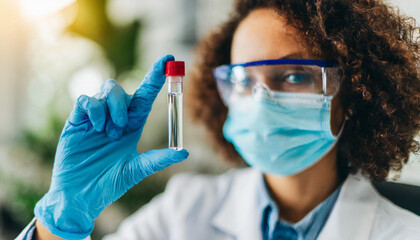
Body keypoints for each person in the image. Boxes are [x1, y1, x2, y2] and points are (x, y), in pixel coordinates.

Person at [17, 0, 420, 239]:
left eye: (294, 75)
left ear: (351, 93)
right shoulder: (182, 212)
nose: (260, 100)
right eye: (243, 79)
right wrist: (60, 224)